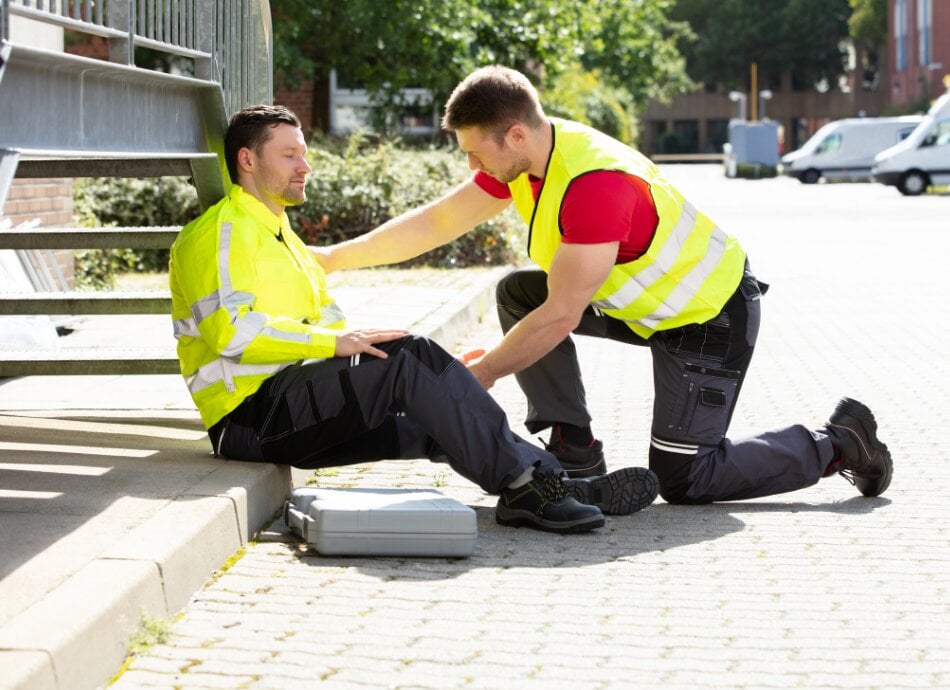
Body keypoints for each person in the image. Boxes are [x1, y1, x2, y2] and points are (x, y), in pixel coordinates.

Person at [314, 65, 893, 504]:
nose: (472, 167)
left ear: (514, 135)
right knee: (520, 292)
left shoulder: (594, 185)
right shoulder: (528, 161)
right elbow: (437, 222)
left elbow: (562, 314)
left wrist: (476, 378)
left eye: (475, 152)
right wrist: (335, 259)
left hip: (708, 321)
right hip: (643, 307)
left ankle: (840, 441)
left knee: (686, 479)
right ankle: (576, 452)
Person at [168, 104, 659, 536]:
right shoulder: (219, 235)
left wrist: (362, 351)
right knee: (411, 359)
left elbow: (329, 320)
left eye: (304, 153)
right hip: (250, 418)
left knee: (440, 409)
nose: (306, 165)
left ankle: (552, 483)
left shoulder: (285, 237)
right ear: (248, 160)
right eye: (289, 155)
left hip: (292, 401)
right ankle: (535, 485)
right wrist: (335, 345)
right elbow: (229, 333)